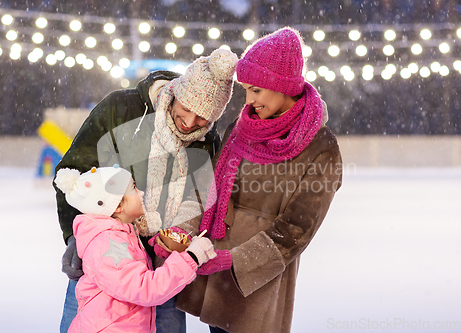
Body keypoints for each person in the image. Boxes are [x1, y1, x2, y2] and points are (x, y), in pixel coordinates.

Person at [160, 27, 343, 333]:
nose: (248, 99)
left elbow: (298, 228)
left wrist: (236, 261)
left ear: (282, 85)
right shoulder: (242, 126)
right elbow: (211, 191)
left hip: (256, 279)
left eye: (256, 90)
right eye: (245, 89)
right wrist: (178, 232)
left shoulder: (320, 147)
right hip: (214, 268)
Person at [54, 48, 238, 333]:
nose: (190, 122)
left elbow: (199, 200)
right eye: (186, 108)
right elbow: (75, 172)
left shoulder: (206, 141)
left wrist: (180, 238)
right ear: (176, 92)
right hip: (107, 255)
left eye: (203, 117)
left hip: (162, 268)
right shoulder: (121, 109)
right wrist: (73, 237)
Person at [54, 165, 217, 332]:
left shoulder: (120, 235)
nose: (142, 193)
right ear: (117, 206)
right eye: (134, 188)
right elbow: (145, 289)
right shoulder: (110, 244)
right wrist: (192, 258)